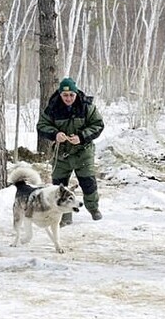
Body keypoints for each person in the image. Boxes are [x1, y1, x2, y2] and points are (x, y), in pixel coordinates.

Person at [37, 77, 105, 226]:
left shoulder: (87, 106)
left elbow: (98, 125)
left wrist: (81, 136)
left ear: (76, 94)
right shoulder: (53, 107)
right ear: (60, 95)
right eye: (65, 95)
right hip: (61, 154)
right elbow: (42, 126)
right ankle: (65, 216)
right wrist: (55, 134)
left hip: (83, 152)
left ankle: (93, 209)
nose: (68, 98)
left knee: (88, 183)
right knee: (59, 186)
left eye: (71, 95)